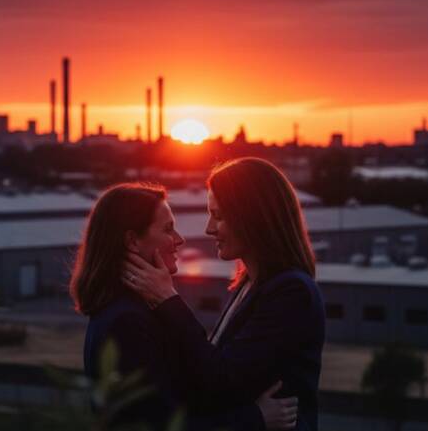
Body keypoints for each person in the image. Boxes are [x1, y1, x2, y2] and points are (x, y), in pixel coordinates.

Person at [70, 182, 298, 431]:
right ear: (133, 241)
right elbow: (159, 426)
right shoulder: (126, 321)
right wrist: (255, 419)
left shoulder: (136, 309)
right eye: (168, 229)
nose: (179, 240)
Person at [123, 158, 326, 431]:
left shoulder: (291, 292)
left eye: (218, 216)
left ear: (252, 216)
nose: (209, 228)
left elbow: (222, 378)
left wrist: (167, 300)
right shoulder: (250, 284)